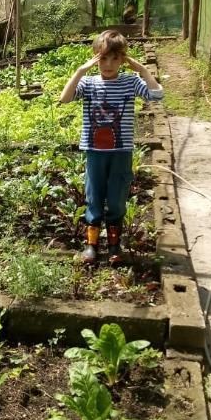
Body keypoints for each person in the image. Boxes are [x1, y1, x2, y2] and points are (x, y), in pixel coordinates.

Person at [58, 29, 163, 265]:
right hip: (95, 152)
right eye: (103, 58)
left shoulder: (130, 82)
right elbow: (65, 98)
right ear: (95, 57)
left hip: (121, 152)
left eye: (115, 58)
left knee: (116, 198)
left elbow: (157, 96)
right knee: (94, 196)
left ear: (123, 59)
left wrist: (144, 70)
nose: (109, 64)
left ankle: (115, 245)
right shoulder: (89, 83)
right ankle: (91, 245)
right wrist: (79, 71)